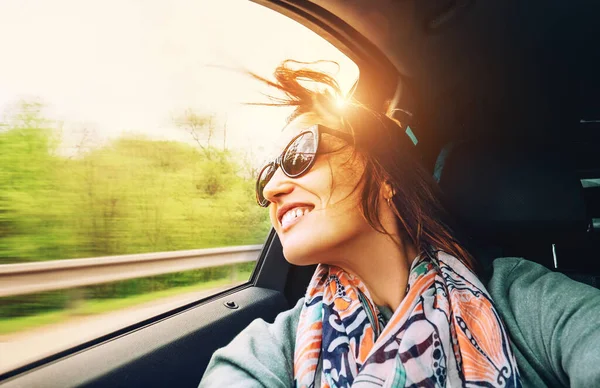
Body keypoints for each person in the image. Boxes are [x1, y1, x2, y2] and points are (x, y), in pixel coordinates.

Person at [199, 60, 600, 387]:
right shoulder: (272, 349)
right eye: (267, 172)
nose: (271, 187)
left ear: (384, 175)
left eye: (300, 152)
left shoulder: (523, 301)